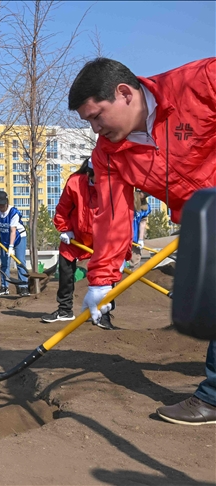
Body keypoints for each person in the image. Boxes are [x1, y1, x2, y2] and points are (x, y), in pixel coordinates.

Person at [68, 57, 216, 424]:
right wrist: (101, 280)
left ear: (124, 93)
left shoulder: (199, 84)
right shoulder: (107, 153)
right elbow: (112, 216)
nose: (95, 128)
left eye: (96, 116)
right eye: (88, 122)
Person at [41, 158, 118, 329]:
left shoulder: (112, 185)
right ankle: (64, 310)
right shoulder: (75, 183)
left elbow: (117, 215)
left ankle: (104, 313)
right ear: (89, 173)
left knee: (106, 274)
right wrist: (65, 229)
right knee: (65, 270)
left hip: (102, 237)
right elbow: (63, 208)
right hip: (75, 236)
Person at [0, 190, 29, 297]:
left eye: (2, 205)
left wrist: (11, 247)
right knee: (5, 263)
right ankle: (4, 287)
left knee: (20, 261)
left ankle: (24, 287)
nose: (0, 207)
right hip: (4, 238)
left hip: (19, 237)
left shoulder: (13, 212)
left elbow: (13, 231)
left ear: (7, 202)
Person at [130, 189, 151, 267]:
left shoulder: (145, 207)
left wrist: (141, 239)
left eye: (147, 195)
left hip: (135, 237)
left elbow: (143, 223)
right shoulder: (128, 202)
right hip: (123, 235)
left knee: (135, 259)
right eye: (144, 193)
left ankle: (134, 273)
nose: (145, 196)